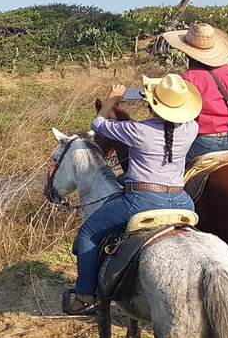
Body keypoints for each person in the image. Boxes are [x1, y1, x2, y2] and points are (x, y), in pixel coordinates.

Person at [64, 75, 199, 315]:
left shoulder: (137, 130)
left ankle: (84, 296)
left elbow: (98, 124)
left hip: (142, 200)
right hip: (181, 200)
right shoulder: (191, 128)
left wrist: (112, 99)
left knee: (87, 233)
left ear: (150, 104)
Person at [162, 22, 228, 164]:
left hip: (201, 141)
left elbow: (179, 116)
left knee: (172, 169)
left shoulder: (188, 78)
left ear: (187, 51)